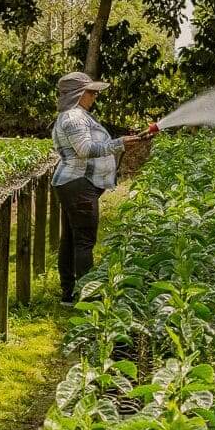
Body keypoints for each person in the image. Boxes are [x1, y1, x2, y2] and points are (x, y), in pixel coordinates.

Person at [52, 71, 153, 305]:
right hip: (78, 184)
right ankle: (89, 299)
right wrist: (119, 144)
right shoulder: (74, 117)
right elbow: (85, 149)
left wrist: (125, 142)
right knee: (84, 241)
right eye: (91, 91)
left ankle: (69, 294)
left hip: (73, 183)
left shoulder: (75, 116)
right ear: (78, 93)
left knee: (71, 239)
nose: (95, 96)